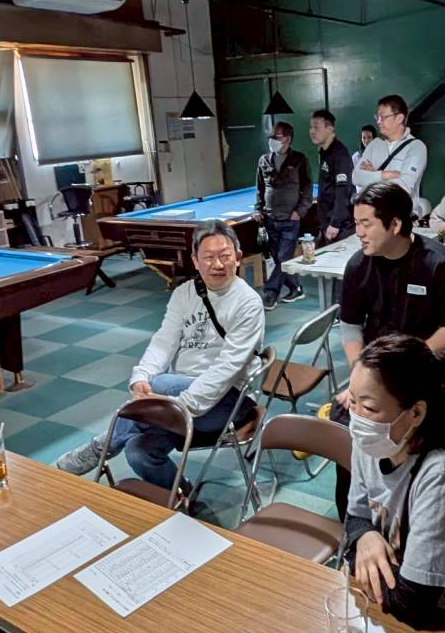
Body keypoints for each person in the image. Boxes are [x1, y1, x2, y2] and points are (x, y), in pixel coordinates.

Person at [56, 220, 265, 501]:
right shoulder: (184, 293)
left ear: (237, 257)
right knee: (139, 452)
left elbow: (226, 368)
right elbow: (164, 341)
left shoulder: (248, 303)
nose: (217, 264)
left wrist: (177, 404)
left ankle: (100, 448)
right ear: (195, 260)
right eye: (208, 257)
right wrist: (141, 378)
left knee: (162, 383)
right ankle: (182, 495)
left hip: (228, 402)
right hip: (181, 398)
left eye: (225, 256)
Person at [343, 334, 445, 630]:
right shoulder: (371, 442)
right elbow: (355, 517)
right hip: (397, 610)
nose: (356, 417)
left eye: (368, 408)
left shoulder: (443, 477)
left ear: (416, 413)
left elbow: (413, 604)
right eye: (352, 400)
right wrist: (365, 538)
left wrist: (355, 555)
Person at [334, 182, 445, 516]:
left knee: (417, 449)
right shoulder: (358, 265)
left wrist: (405, 363)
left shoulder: (439, 263)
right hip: (375, 370)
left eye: (366, 224)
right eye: (356, 223)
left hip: (430, 368)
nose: (359, 232)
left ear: (395, 224)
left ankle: (419, 515)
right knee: (346, 427)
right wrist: (360, 377)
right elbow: (350, 326)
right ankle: (355, 520)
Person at [254, 120, 313, 310]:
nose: (272, 140)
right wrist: (257, 209)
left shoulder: (299, 159)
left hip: (290, 219)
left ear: (287, 139)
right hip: (270, 219)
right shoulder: (264, 160)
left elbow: (307, 188)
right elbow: (259, 188)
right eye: (271, 136)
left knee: (282, 258)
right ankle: (296, 288)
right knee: (282, 260)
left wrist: (300, 211)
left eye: (276, 137)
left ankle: (270, 293)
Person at [352, 95, 428, 211]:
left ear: (399, 118)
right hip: (374, 214)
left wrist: (372, 176)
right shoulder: (374, 144)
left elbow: (403, 188)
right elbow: (356, 177)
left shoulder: (416, 147)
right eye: (377, 117)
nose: (378, 121)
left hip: (401, 216)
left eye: (383, 117)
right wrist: (385, 175)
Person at [308, 108, 353, 246]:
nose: (312, 131)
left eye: (316, 127)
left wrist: (335, 223)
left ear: (329, 128)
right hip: (325, 222)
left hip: (340, 227)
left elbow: (343, 190)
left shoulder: (339, 153)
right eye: (310, 127)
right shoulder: (323, 151)